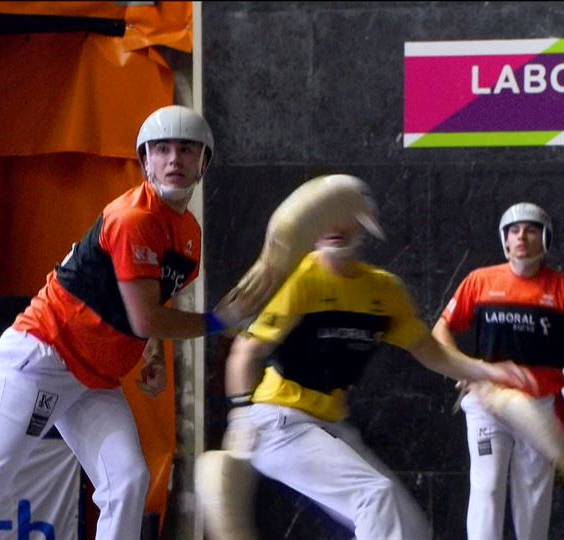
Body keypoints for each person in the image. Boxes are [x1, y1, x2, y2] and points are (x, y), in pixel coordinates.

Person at [0, 105, 252, 540]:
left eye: (187, 150)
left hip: (94, 379)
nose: (174, 160)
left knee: (128, 481)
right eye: (162, 149)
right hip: (42, 358)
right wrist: (217, 321)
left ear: (204, 162)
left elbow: (152, 300)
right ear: (145, 160)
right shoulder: (133, 219)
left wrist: (152, 353)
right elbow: (145, 316)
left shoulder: (188, 233)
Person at [220, 189, 539, 540]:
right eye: (326, 217)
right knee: (375, 497)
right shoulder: (299, 280)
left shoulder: (384, 290)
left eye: (343, 217)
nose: (334, 226)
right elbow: (245, 352)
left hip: (330, 425)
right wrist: (240, 417)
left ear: (363, 226)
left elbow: (430, 351)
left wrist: (488, 371)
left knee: (411, 530)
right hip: (280, 425)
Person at [432, 202, 564, 540]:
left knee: (533, 499)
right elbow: (440, 330)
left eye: (531, 231)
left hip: (540, 407)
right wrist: (462, 368)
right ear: (505, 240)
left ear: (545, 239)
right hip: (487, 404)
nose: (521, 238)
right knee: (487, 486)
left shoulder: (560, 287)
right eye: (514, 231)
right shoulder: (480, 280)